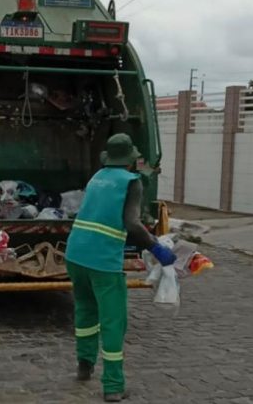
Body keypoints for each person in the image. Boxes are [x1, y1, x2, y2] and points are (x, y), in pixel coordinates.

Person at [65, 133, 176, 402]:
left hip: (76, 252)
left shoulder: (97, 177)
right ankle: (114, 385)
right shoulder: (131, 182)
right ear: (131, 160)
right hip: (102, 260)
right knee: (113, 320)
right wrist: (156, 248)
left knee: (85, 309)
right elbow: (132, 223)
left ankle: (84, 365)